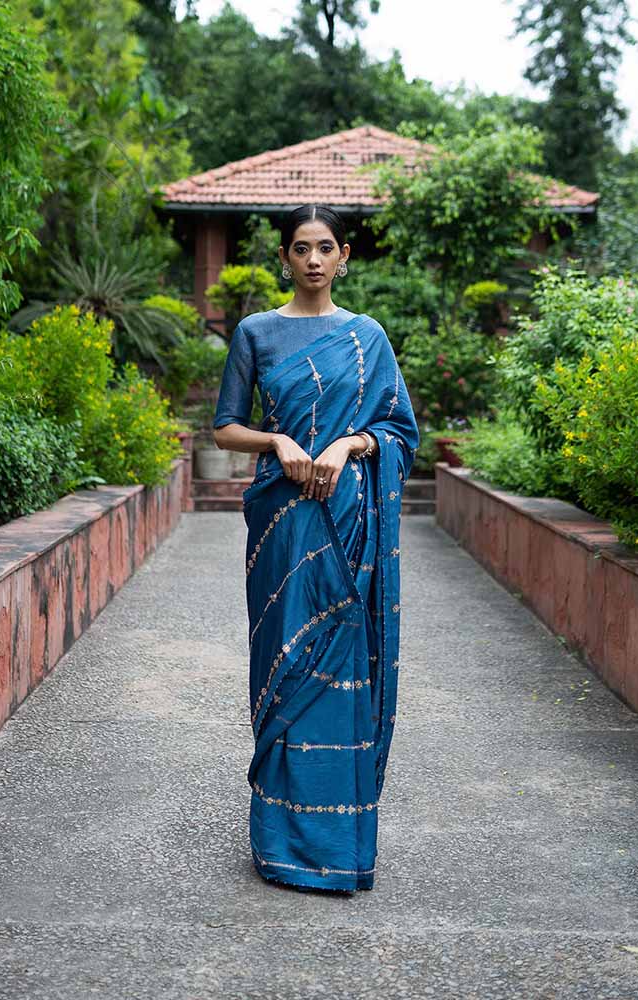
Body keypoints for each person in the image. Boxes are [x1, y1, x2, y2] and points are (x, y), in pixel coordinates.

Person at [212, 204, 420, 893]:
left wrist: (345, 442)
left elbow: (397, 431)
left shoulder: (368, 338)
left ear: (344, 256)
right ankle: (281, 845)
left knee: (342, 677)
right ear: (285, 258)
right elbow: (224, 429)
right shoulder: (256, 332)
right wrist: (278, 440)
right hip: (281, 523)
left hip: (348, 519)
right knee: (286, 667)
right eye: (300, 248)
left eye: (324, 247)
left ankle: (339, 848)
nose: (312, 260)